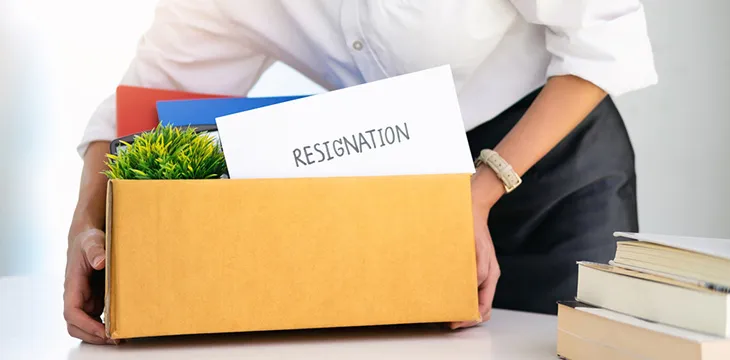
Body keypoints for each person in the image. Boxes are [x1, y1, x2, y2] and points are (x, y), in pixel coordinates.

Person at [65, 0, 657, 345]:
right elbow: (154, 90)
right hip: (398, 181)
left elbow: (603, 42)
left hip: (550, 167)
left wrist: (478, 192)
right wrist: (86, 223)